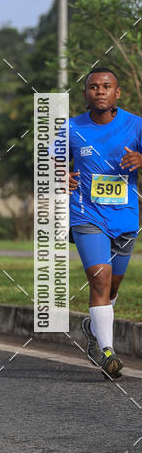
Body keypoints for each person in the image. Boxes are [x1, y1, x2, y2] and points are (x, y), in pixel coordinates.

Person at [68, 67, 142, 379]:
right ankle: (107, 352)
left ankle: (93, 325)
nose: (100, 91)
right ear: (86, 93)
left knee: (113, 285)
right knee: (99, 278)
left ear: (117, 93)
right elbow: (48, 164)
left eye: (106, 86)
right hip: (86, 213)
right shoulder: (69, 128)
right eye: (94, 86)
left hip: (125, 216)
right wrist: (60, 174)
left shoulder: (136, 124)